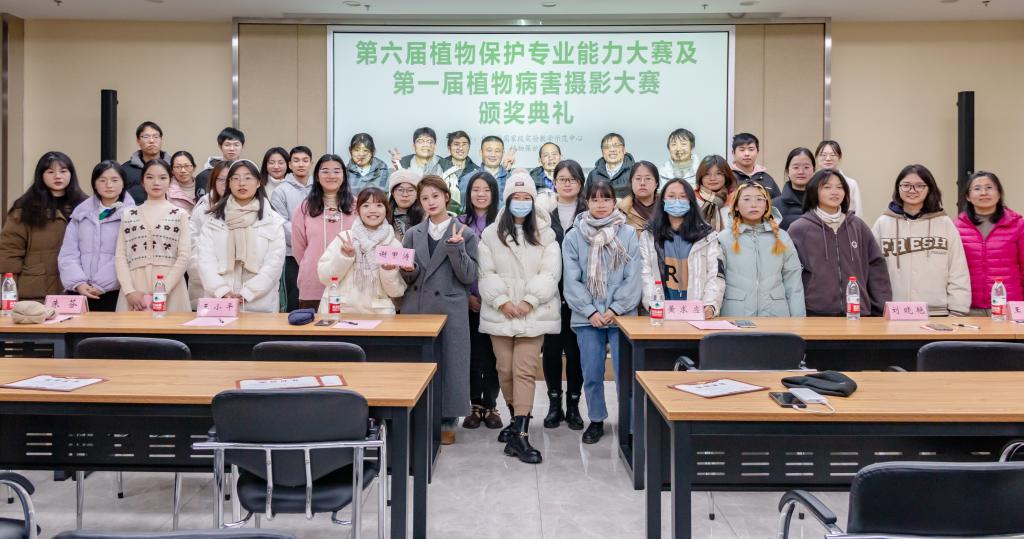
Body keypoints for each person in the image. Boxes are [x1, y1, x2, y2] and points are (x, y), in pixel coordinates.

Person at [477, 171, 561, 464]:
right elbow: (485, 273)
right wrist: (501, 301)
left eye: (527, 197)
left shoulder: (547, 234)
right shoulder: (490, 234)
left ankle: (521, 435)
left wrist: (529, 301)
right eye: (517, 197)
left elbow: (550, 273)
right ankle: (515, 423)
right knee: (505, 370)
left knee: (524, 370)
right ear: (508, 199)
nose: (522, 202)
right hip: (500, 313)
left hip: (534, 313)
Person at [400, 176, 479, 445]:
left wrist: (456, 249)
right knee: (416, 364)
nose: (430, 202)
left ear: (446, 197)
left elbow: (469, 276)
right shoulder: (413, 233)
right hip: (417, 308)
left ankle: (447, 420)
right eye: (425, 198)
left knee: (450, 365)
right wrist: (408, 270)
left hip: (449, 309)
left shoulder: (465, 233)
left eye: (435, 196)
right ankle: (416, 416)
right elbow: (409, 276)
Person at [562, 179, 641, 444]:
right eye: (594, 199)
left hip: (622, 317)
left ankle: (629, 424)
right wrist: (590, 311)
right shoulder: (574, 236)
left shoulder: (628, 234)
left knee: (625, 375)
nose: (600, 204)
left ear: (614, 202)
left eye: (606, 199)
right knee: (592, 373)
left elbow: (633, 277)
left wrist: (616, 308)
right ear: (586, 202)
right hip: (588, 319)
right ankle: (596, 420)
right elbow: (571, 280)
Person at [789, 169, 891, 316]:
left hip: (858, 313)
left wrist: (880, 308)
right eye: (827, 187)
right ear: (814, 191)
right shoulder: (799, 229)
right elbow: (790, 274)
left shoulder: (858, 226)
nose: (835, 192)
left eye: (840, 187)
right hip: (815, 314)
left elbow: (877, 267)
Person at [871, 164, 970, 316]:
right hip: (894, 313)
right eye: (906, 185)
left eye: (919, 186)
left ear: (929, 188)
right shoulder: (883, 223)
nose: (912, 190)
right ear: (898, 188)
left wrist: (958, 310)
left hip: (938, 314)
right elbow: (873, 271)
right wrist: (877, 308)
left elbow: (957, 269)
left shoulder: (944, 223)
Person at [197, 160, 285, 313]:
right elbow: (205, 261)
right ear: (229, 184)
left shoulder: (272, 220)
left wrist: (248, 293)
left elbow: (274, 264)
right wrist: (222, 290)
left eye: (248, 178)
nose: (241, 183)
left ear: (258, 182)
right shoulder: (213, 220)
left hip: (260, 304)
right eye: (235, 178)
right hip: (220, 303)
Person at [0, 152, 87, 301]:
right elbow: (9, 252)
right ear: (41, 175)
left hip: (78, 291)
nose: (57, 176)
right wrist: (8, 294)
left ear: (71, 174)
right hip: (36, 292)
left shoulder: (85, 206)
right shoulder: (25, 209)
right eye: (50, 172)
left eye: (63, 171)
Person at [542, 160, 587, 430]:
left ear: (580, 183)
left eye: (572, 179)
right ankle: (553, 404)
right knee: (551, 351)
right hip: (550, 294)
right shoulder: (545, 216)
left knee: (575, 351)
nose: (567, 183)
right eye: (562, 179)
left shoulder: (589, 214)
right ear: (554, 182)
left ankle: (573, 405)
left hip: (580, 294)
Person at [639, 178, 725, 318]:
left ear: (691, 201)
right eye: (671, 196)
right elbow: (645, 274)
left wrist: (710, 304)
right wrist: (653, 304)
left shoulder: (707, 236)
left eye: (683, 196)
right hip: (662, 312)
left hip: (697, 312)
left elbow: (715, 274)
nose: (677, 201)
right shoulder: (649, 236)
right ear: (663, 201)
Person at [457, 171, 503, 431]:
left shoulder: (504, 222)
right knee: (473, 357)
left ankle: (491, 404)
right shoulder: (459, 223)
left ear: (494, 193)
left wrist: (496, 298)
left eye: (486, 189)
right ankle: (475, 405)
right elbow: (453, 265)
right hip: (470, 303)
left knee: (495, 358)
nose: (481, 194)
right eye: (476, 189)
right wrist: (467, 297)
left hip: (498, 304)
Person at [114, 159, 191, 312]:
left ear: (170, 181)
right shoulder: (129, 214)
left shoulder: (180, 214)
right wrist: (129, 291)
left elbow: (184, 256)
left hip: (171, 287)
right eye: (150, 177)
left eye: (162, 178)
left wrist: (164, 289)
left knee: (171, 327)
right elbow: (120, 256)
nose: (156, 183)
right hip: (135, 288)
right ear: (142, 182)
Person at [58, 160, 135, 312]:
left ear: (123, 184)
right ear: (94, 184)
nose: (109, 185)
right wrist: (78, 283)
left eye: (114, 180)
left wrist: (101, 284)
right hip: (80, 292)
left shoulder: (133, 216)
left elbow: (128, 256)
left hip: (115, 292)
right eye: (102, 180)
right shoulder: (81, 214)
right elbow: (68, 254)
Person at [718, 182, 804, 317]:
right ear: (736, 206)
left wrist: (799, 321)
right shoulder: (724, 238)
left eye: (759, 199)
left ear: (767, 205)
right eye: (747, 199)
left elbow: (793, 282)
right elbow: (716, 281)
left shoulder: (782, 237)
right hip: (735, 315)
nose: (754, 204)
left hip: (776, 316)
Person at [317, 187, 406, 314]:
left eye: (379, 205)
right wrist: (344, 257)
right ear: (358, 210)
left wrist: (388, 271)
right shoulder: (345, 238)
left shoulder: (393, 245)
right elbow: (325, 278)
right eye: (366, 205)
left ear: (386, 210)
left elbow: (396, 292)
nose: (373, 210)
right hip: (341, 311)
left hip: (377, 314)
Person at [292, 154, 357, 309]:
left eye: (336, 171)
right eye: (325, 171)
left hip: (348, 282)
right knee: (312, 324)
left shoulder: (357, 205)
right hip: (313, 282)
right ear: (317, 176)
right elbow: (299, 249)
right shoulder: (304, 207)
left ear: (344, 175)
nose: (331, 175)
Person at [955, 171, 1024, 315]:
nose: (983, 193)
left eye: (989, 187)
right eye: (977, 188)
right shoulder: (956, 227)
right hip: (969, 307)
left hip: (1009, 307)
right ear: (968, 196)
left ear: (999, 194)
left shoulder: (1018, 225)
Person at [272, 145, 315, 311]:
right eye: (296, 161)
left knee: (316, 297)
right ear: (290, 164)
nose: (301, 164)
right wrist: (304, 242)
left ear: (311, 163)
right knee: (294, 297)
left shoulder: (319, 187)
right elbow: (281, 223)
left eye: (305, 160)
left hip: (318, 253)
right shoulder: (280, 191)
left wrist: (315, 243)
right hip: (291, 254)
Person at [188, 161, 230, 308]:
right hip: (204, 284)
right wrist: (210, 275)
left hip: (236, 288)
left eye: (230, 179)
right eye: (221, 179)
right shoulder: (202, 209)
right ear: (213, 181)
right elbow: (192, 246)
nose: (225, 184)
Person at [123, 121, 171, 204]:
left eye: (156, 136)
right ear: (138, 141)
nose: (151, 141)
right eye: (146, 137)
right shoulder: (125, 170)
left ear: (161, 140)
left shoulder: (173, 167)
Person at [815, 140, 863, 217]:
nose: (828, 158)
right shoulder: (811, 182)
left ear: (840, 158)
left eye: (833, 155)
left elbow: (858, 212)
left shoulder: (851, 183)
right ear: (817, 157)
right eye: (823, 155)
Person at [774, 148, 816, 230]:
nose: (801, 172)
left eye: (806, 167)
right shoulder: (775, 206)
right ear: (787, 171)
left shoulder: (823, 203)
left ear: (813, 170)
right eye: (796, 167)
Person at [693, 155, 738, 232]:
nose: (712, 178)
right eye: (707, 174)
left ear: (726, 176)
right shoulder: (692, 198)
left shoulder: (736, 198)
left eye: (718, 173)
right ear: (700, 177)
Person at [730, 133, 781, 199]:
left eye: (751, 149)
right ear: (733, 152)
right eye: (742, 150)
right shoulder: (728, 177)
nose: (747, 154)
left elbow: (777, 203)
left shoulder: (767, 179)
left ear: (757, 152)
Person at [195, 127, 245, 195]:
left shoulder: (249, 172)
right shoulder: (205, 175)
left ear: (243, 146)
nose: (232, 148)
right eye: (227, 145)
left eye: (236, 145)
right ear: (220, 146)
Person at [460, 135, 512, 199]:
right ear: (481, 152)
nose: (493, 155)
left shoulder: (511, 179)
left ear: (503, 153)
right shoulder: (468, 179)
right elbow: (464, 204)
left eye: (497, 151)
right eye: (489, 150)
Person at [585, 133, 635, 198]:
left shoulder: (634, 172)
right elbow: (585, 198)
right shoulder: (593, 174)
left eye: (616, 146)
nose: (612, 150)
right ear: (602, 152)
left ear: (624, 150)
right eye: (607, 147)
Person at [438, 131, 478, 212]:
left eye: (464, 144)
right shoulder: (439, 167)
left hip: (468, 216)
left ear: (469, 147)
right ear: (449, 147)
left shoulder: (477, 172)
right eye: (456, 144)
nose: (461, 148)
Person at [617, 161, 660, 234]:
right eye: (638, 178)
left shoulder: (668, 207)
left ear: (656, 183)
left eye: (648, 178)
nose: (642, 183)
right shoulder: (620, 211)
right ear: (631, 182)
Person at [389, 169, 424, 242]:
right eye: (400, 190)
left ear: (417, 194)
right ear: (393, 193)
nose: (405, 195)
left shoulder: (426, 217)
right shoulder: (383, 216)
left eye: (410, 190)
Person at [529, 141, 560, 213]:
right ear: (539, 160)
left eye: (554, 154)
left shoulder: (571, 178)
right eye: (546, 155)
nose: (551, 158)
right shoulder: (531, 180)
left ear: (561, 157)